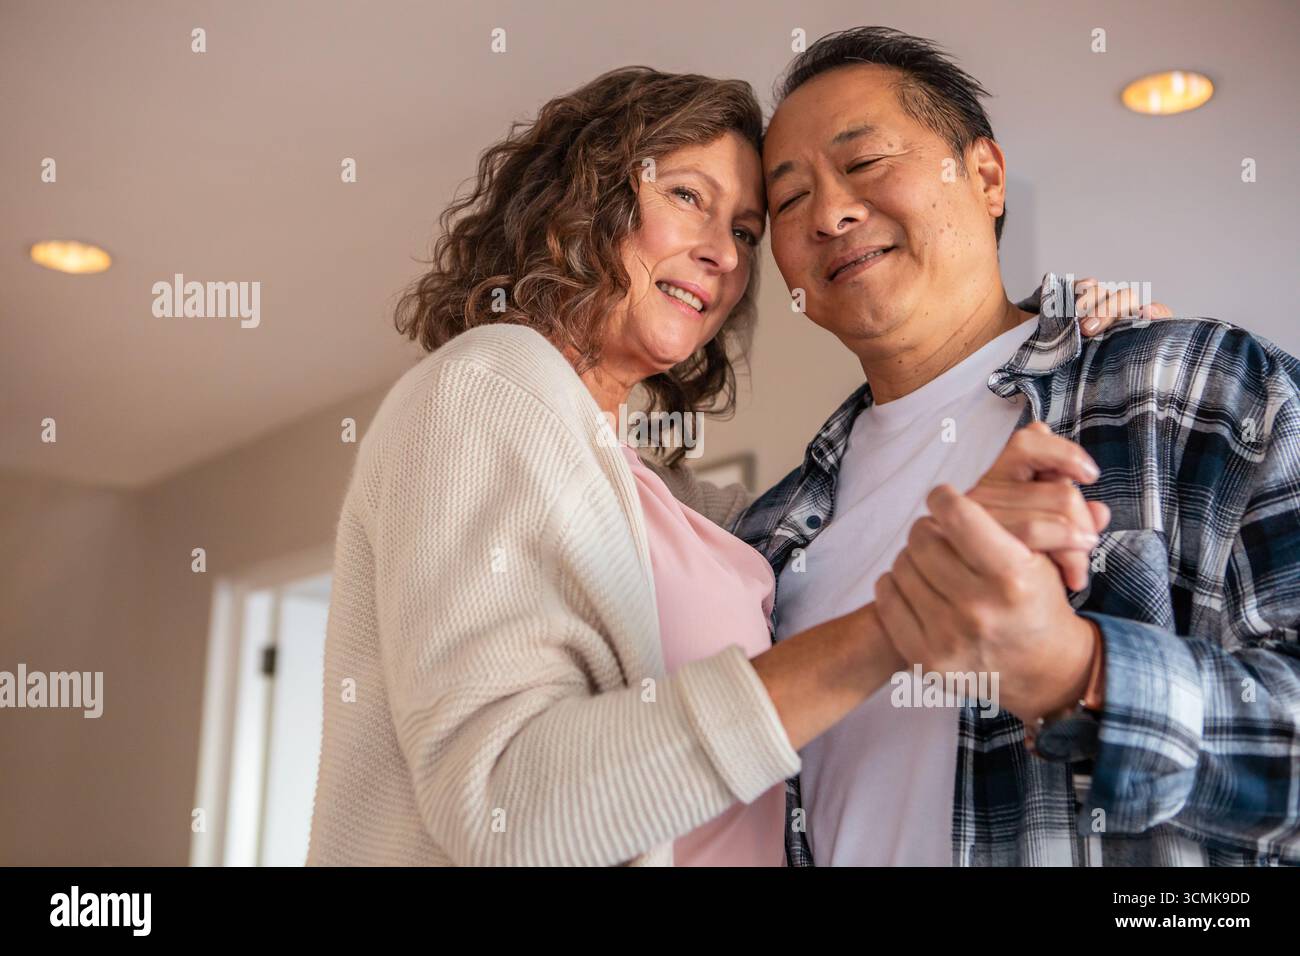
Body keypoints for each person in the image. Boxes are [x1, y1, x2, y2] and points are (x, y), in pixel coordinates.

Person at [304, 65, 1152, 866]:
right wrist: (894, 629)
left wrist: (1064, 336)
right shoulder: (487, 381)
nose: (726, 255)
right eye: (686, 197)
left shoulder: (684, 502)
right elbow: (499, 800)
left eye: (747, 230)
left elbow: (850, 533)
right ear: (584, 202)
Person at [740, 25, 1300, 866]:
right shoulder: (768, 539)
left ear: (987, 176)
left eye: (863, 165)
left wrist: (1082, 672)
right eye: (788, 202)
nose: (831, 213)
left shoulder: (1195, 388)